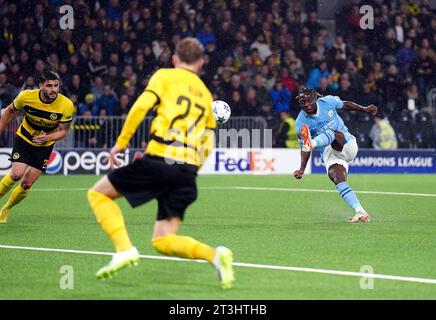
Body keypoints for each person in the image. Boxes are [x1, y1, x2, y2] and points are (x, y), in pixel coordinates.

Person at [87, 38, 234, 288]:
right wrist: (192, 168)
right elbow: (209, 141)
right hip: (187, 172)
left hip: (161, 158)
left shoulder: (164, 76)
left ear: (175, 59)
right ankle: (215, 255)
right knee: (163, 240)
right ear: (201, 63)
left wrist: (121, 143)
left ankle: (124, 249)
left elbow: (141, 106)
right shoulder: (205, 94)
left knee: (98, 195)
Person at [293, 87, 377, 223]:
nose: (306, 105)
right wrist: (302, 169)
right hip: (329, 153)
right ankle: (360, 211)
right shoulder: (301, 122)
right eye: (303, 102)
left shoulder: (327, 102)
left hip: (345, 142)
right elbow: (304, 148)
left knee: (331, 132)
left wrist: (365, 109)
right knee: (337, 177)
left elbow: (345, 104)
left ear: (315, 98)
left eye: (309, 101)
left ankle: (313, 142)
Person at [0, 70, 74, 223]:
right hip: (24, 138)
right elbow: (9, 110)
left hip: (45, 145)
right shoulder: (26, 96)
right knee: (16, 174)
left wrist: (47, 137)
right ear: (40, 86)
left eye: (56, 86)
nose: (53, 89)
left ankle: (6, 209)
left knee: (26, 184)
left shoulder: (66, 104)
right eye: (49, 86)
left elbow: (63, 131)